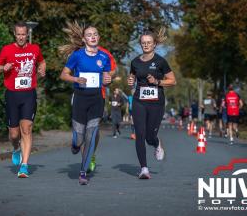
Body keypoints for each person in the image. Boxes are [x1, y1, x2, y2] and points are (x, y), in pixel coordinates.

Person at [60, 21, 117, 174]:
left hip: (98, 96)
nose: (93, 37)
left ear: (99, 37)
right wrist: (76, 79)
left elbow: (110, 72)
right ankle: (77, 145)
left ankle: (88, 159)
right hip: (80, 95)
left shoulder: (105, 55)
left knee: (93, 131)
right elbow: (64, 74)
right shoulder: (77, 55)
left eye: (95, 34)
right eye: (89, 35)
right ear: (84, 39)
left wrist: (108, 78)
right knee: (80, 135)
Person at [0, 21, 46, 178]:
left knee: (27, 129)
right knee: (14, 134)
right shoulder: (7, 49)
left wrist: (42, 68)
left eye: (24, 34)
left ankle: (24, 165)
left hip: (29, 94)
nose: (22, 37)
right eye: (19, 34)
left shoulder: (35, 48)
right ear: (14, 34)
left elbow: (42, 61)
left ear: (27, 34)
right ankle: (16, 148)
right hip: (12, 95)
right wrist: (3, 68)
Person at [127, 28, 176, 179]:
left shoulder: (161, 61)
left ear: (154, 44)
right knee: (140, 134)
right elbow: (132, 77)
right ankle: (144, 169)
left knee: (149, 136)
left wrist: (157, 81)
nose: (146, 45)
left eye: (149, 43)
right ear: (140, 44)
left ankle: (156, 143)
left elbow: (173, 81)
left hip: (156, 103)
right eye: (143, 43)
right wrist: (130, 81)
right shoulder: (135, 62)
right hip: (139, 101)